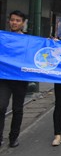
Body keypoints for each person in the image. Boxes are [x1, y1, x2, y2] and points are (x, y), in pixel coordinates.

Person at [0, 10, 28, 148]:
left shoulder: (29, 41)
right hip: (4, 78)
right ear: (9, 21)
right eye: (12, 20)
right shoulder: (2, 37)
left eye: (18, 20)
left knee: (17, 109)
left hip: (20, 80)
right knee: (1, 106)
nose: (14, 22)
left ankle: (13, 137)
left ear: (23, 23)